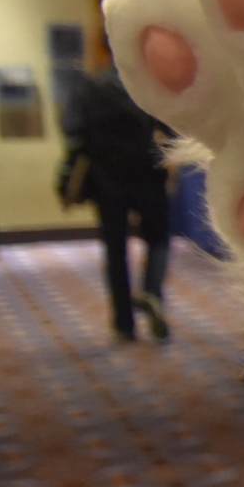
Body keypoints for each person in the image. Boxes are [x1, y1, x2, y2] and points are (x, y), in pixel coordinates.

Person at [61, 32, 175, 340]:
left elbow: (73, 131)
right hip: (148, 175)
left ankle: (124, 322)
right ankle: (151, 291)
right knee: (159, 239)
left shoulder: (88, 87)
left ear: (104, 50)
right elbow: (172, 131)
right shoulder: (148, 87)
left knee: (115, 251)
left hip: (106, 181)